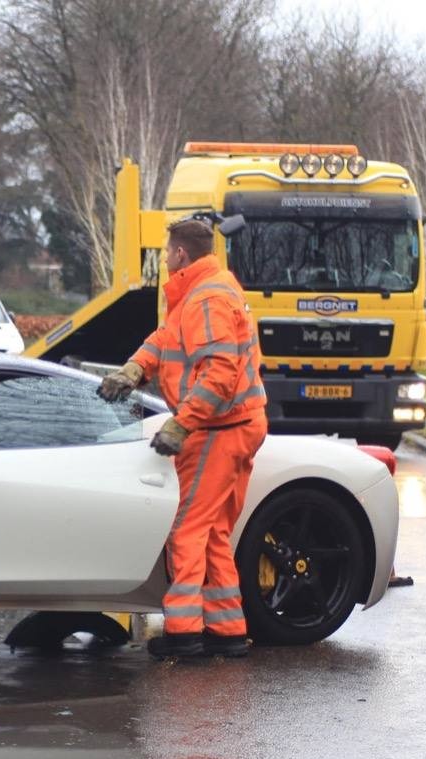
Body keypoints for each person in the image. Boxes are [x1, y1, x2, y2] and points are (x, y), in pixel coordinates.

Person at [98, 218, 267, 660]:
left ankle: (185, 633)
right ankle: (227, 630)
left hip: (218, 428)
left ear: (180, 255)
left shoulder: (207, 297)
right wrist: (134, 369)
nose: (164, 256)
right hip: (236, 425)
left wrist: (181, 423)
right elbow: (167, 338)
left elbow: (219, 373)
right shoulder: (206, 288)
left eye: (166, 250)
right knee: (212, 532)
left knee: (187, 530)